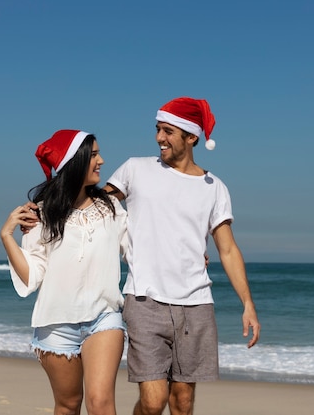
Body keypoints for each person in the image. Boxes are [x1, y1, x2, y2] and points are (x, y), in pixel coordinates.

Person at [105, 97, 260, 415]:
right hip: (144, 301)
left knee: (183, 401)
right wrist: (47, 213)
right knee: (153, 400)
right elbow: (94, 206)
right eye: (158, 129)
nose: (159, 137)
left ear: (192, 137)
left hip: (196, 305)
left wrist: (247, 304)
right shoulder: (136, 169)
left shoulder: (214, 187)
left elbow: (227, 249)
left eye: (168, 131)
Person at [0, 129, 128, 415]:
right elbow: (32, 277)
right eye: (94, 155)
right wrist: (7, 236)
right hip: (55, 326)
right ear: (75, 161)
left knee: (100, 403)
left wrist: (187, 256)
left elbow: (137, 251)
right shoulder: (40, 217)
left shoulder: (112, 209)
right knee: (68, 405)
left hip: (104, 318)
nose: (102, 161)